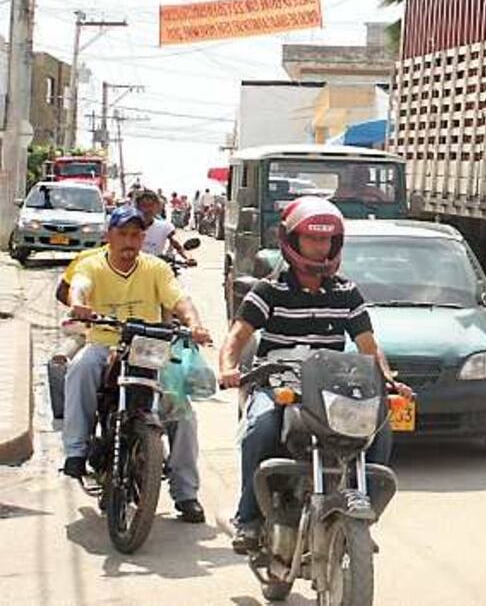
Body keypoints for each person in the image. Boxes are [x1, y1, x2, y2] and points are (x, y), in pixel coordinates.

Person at [218, 196, 409, 553]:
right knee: (261, 429)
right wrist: (228, 368)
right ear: (291, 240)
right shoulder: (269, 290)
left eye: (327, 241)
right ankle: (247, 517)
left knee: (379, 426)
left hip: (328, 383)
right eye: (313, 239)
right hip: (277, 380)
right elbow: (238, 335)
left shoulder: (346, 292)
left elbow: (368, 344)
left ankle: (361, 512)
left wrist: (387, 378)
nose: (321, 248)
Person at [62, 205, 213, 523]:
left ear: (144, 237)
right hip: (105, 343)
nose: (129, 241)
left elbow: (179, 299)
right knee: (79, 369)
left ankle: (186, 493)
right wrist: (79, 305)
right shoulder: (92, 264)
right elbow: (80, 286)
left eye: (136, 234)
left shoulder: (156, 267)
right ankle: (75, 451)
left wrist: (195, 324)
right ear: (109, 236)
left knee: (182, 413)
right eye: (123, 234)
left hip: (150, 349)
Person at [134, 189, 195, 265]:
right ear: (137, 207)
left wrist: (188, 257)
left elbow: (177, 242)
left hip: (157, 269)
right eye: (144, 205)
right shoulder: (128, 227)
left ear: (157, 207)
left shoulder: (165, 227)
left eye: (151, 205)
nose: (148, 209)